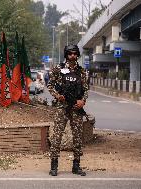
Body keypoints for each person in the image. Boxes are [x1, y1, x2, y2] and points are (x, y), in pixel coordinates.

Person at [47, 44, 89, 176]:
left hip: (76, 108)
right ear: (66, 55)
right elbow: (50, 85)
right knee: (57, 136)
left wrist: (82, 101)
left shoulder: (82, 71)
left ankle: (76, 166)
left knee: (77, 137)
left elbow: (86, 89)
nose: (73, 56)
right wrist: (57, 95)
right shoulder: (58, 69)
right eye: (70, 53)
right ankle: (54, 166)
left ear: (77, 55)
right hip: (62, 107)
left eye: (75, 53)